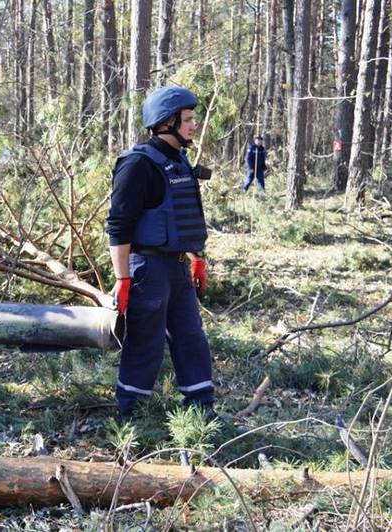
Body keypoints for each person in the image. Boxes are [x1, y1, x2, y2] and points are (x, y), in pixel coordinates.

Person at [105, 86, 215, 420]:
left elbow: (185, 216)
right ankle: (130, 416)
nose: (194, 125)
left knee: (191, 338)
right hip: (147, 269)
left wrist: (196, 258)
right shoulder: (138, 165)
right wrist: (122, 278)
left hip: (178, 268)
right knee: (145, 343)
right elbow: (119, 225)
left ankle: (200, 412)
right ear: (167, 122)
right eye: (188, 119)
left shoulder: (178, 160)